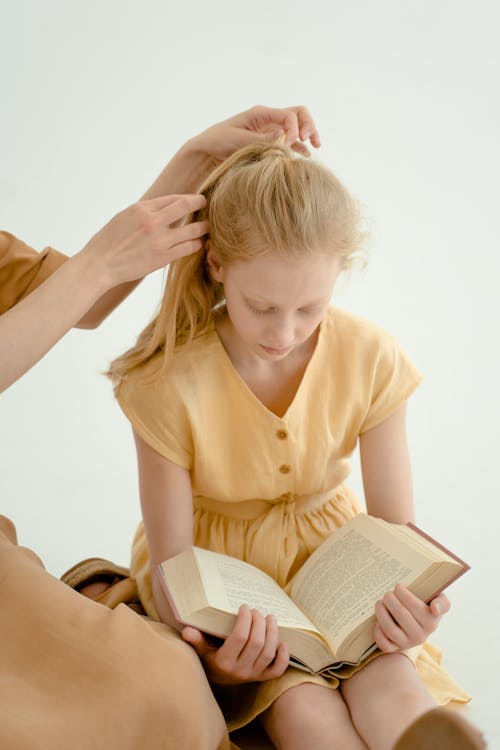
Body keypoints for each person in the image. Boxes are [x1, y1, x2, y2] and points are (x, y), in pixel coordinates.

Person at [108, 141, 484, 750]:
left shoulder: (370, 356)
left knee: (393, 683)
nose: (284, 333)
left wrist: (412, 605)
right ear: (216, 265)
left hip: (335, 564)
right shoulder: (166, 382)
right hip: (223, 588)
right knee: (304, 708)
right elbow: (179, 570)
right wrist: (223, 658)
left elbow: (395, 534)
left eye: (312, 308)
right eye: (262, 307)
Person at [0, 105, 320, 750]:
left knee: (168, 693)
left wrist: (192, 163)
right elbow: (86, 280)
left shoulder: (366, 355)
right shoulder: (165, 387)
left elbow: (75, 302)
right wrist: (94, 263)